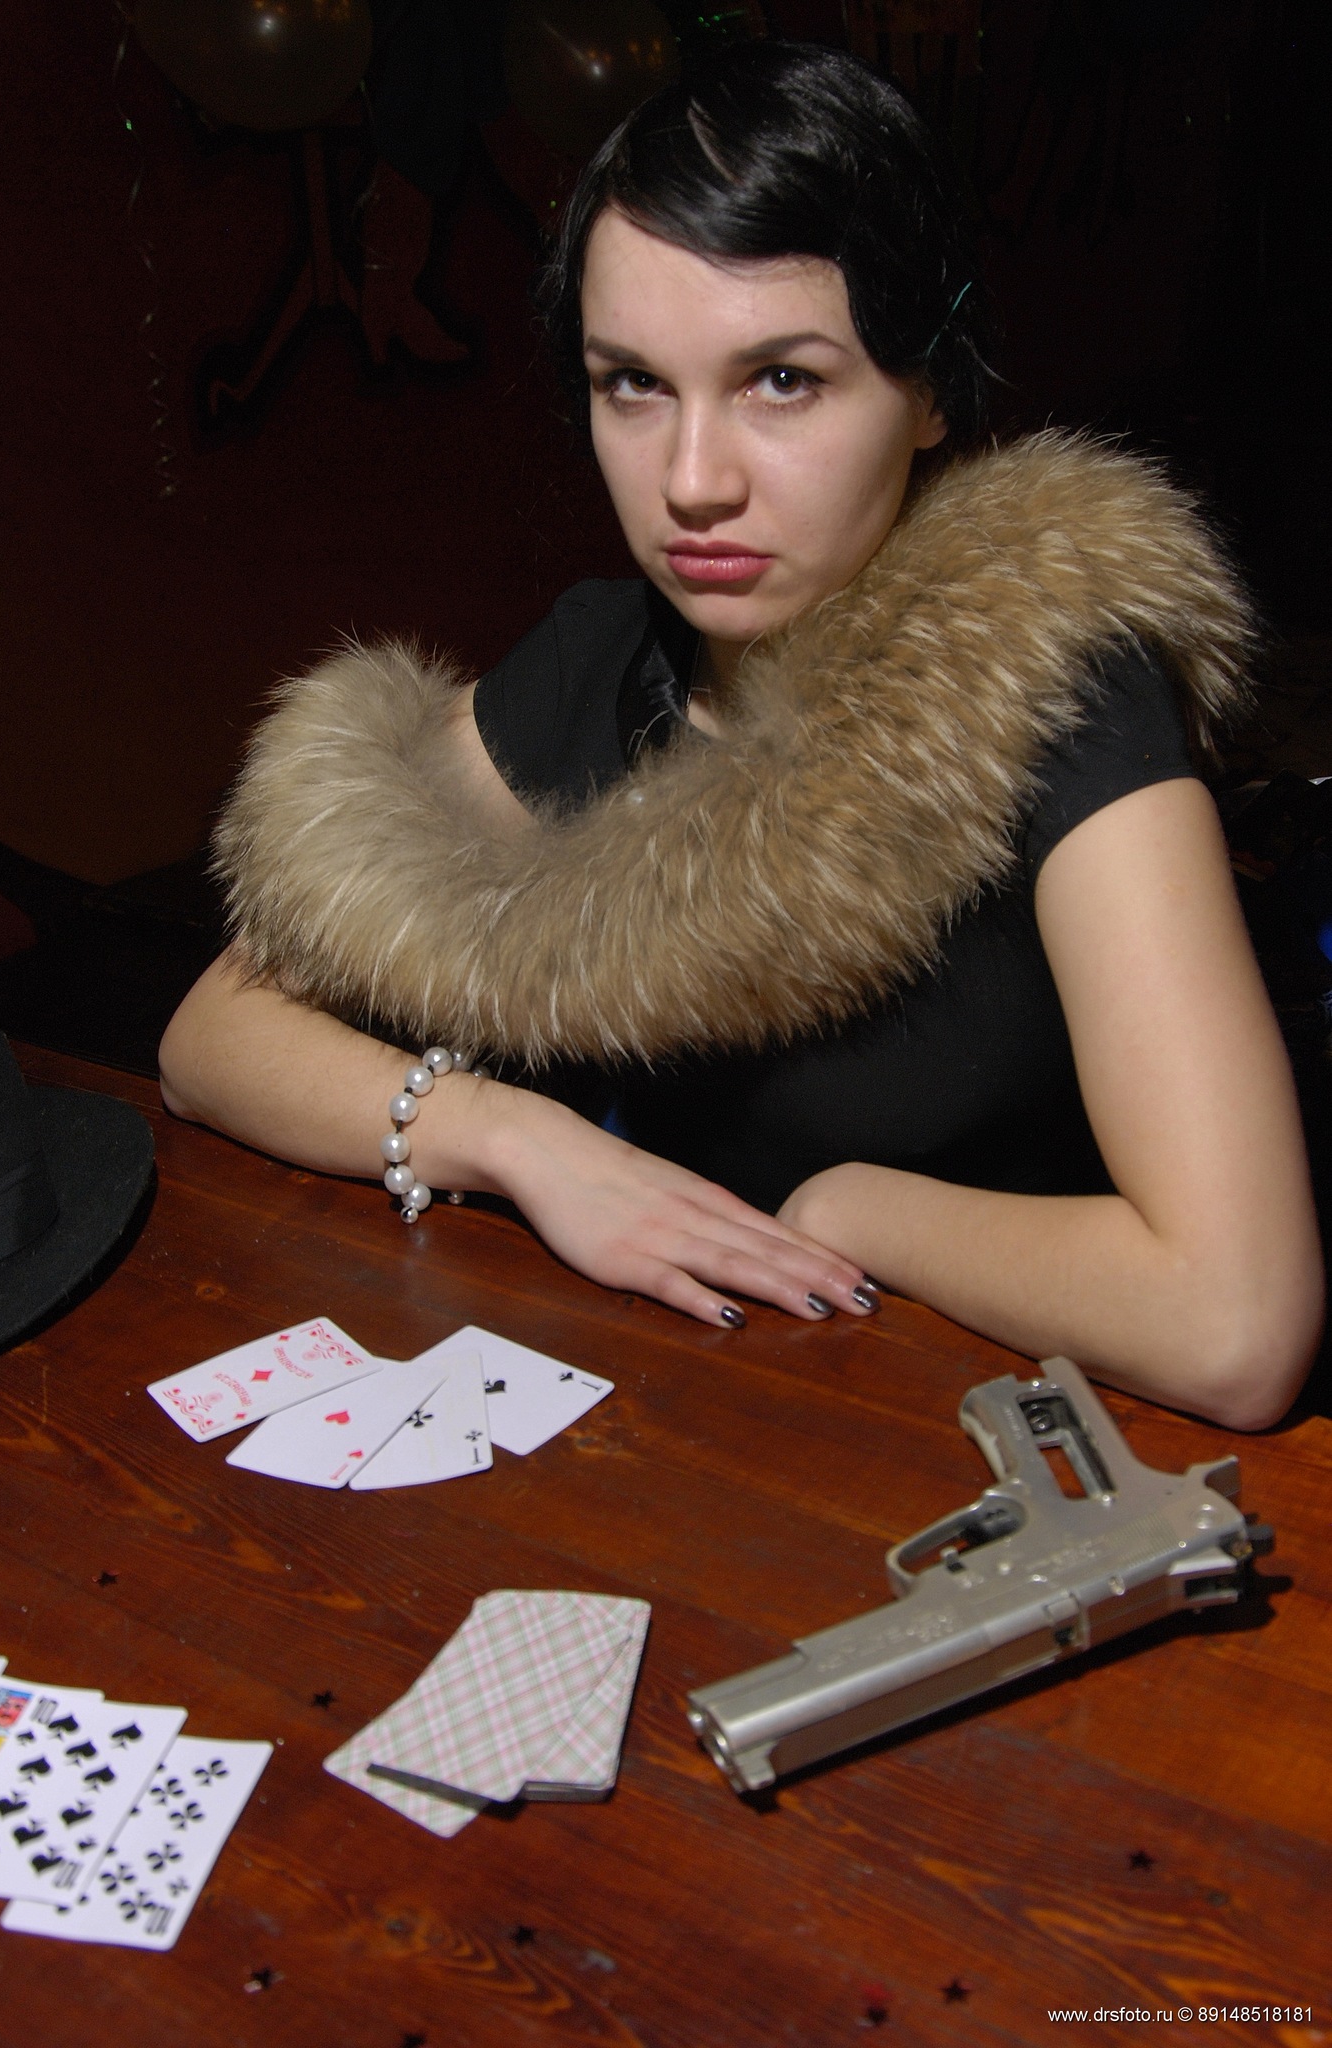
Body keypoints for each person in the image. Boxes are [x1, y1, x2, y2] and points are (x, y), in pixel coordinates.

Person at [161, 41, 1323, 1431]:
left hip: (1012, 1447)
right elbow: (212, 1037)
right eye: (632, 385)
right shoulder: (602, 662)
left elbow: (1234, 1324)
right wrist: (514, 1139)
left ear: (929, 390)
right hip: (716, 1429)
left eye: (781, 380)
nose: (693, 482)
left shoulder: (1061, 682)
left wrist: (844, 1212)